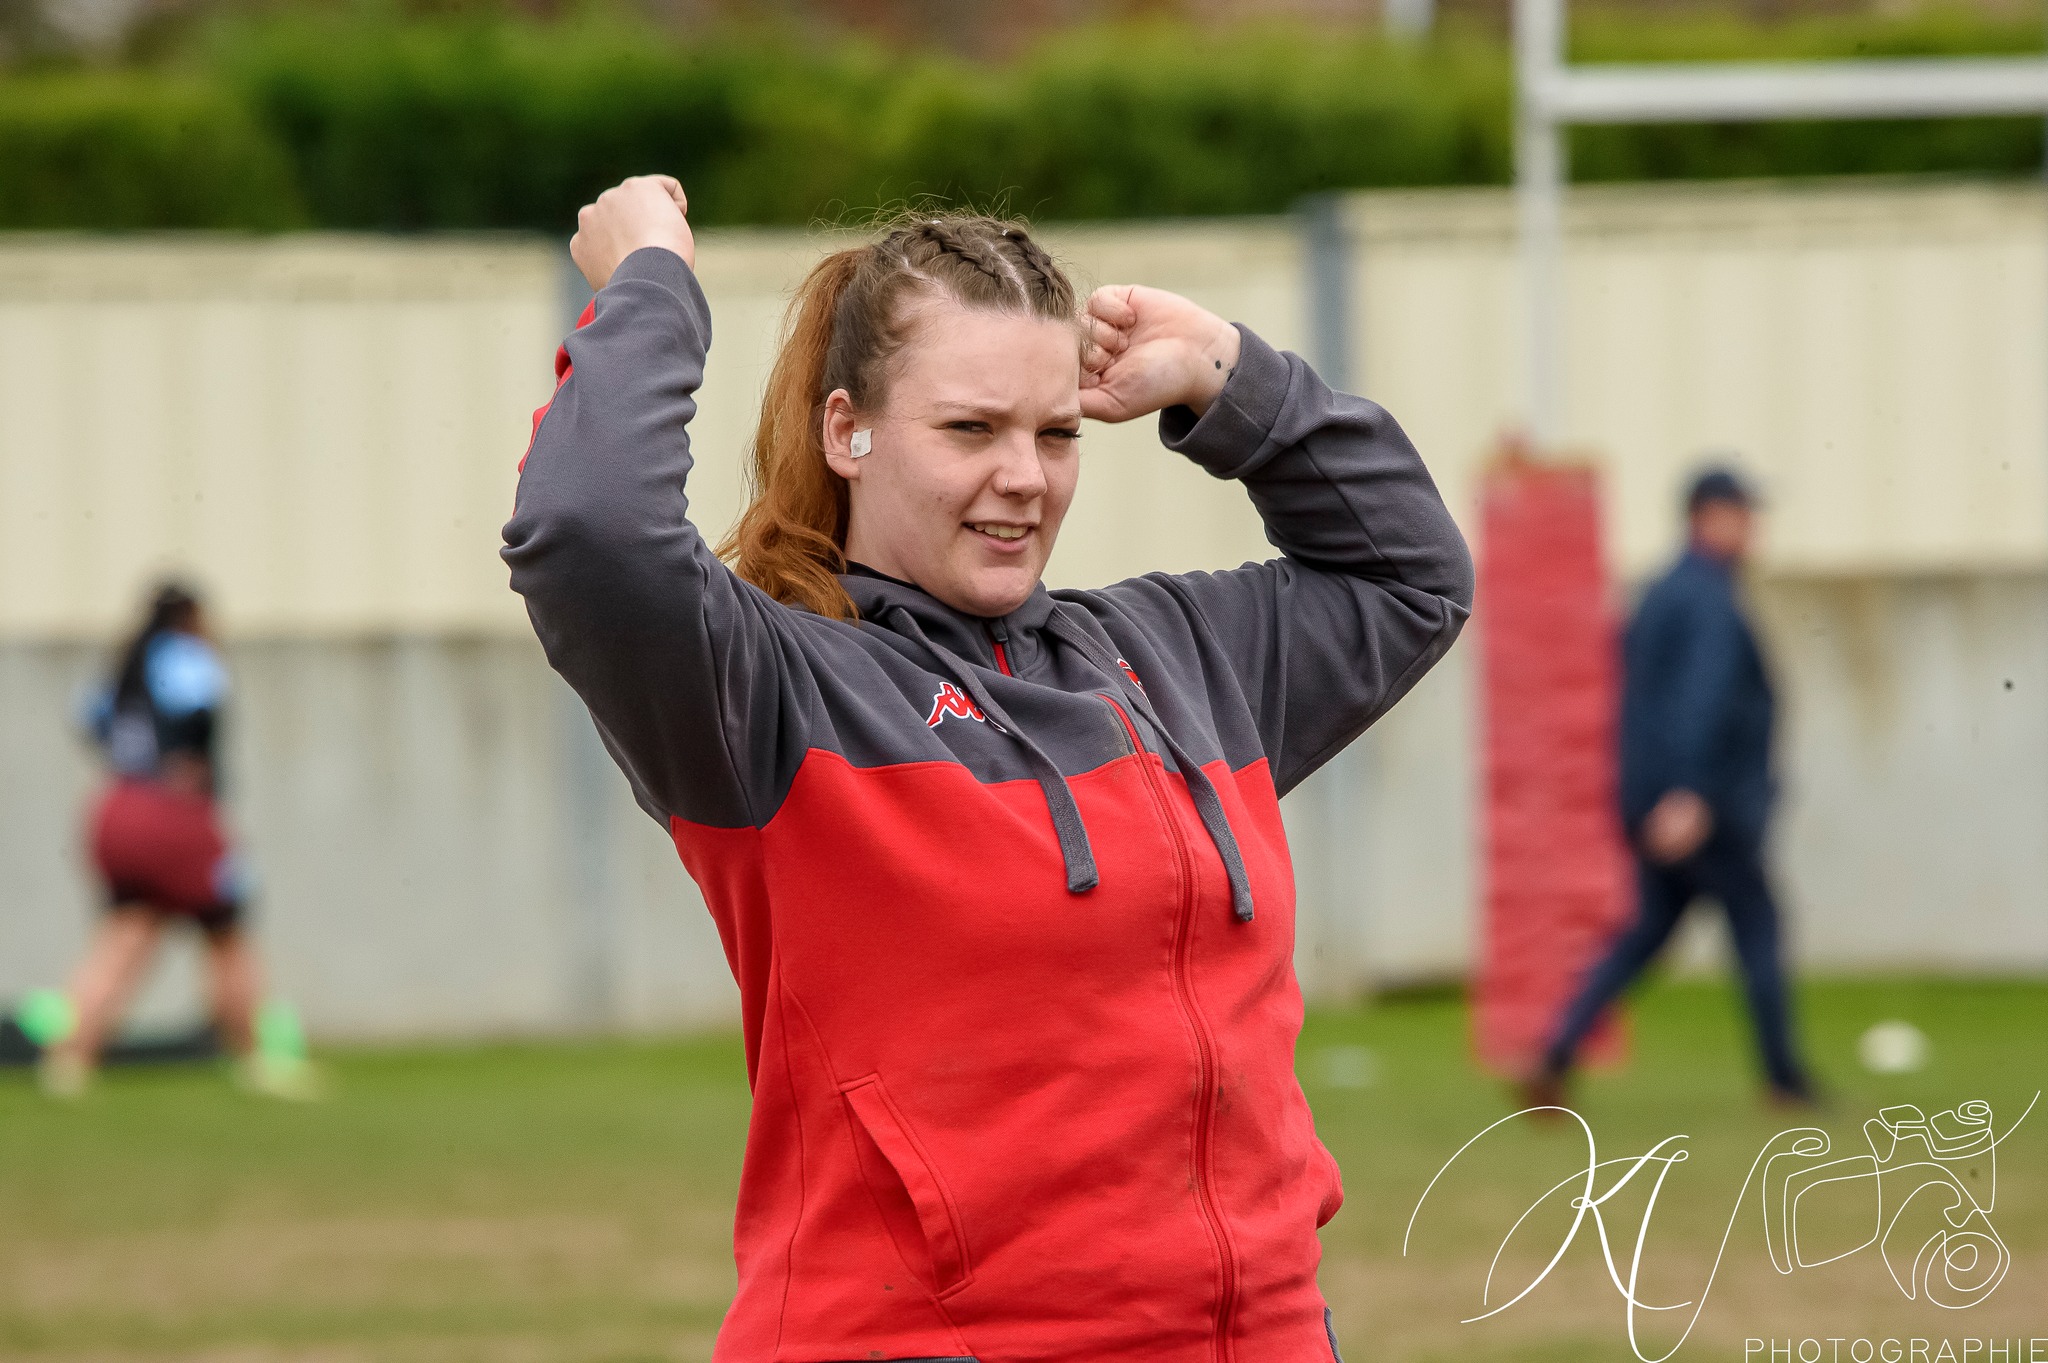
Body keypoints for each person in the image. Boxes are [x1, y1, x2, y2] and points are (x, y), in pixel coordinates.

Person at [504, 175, 1472, 1361]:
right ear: (846, 431)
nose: (1025, 475)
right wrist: (652, 280)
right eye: (970, 429)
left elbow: (1408, 577)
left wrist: (1225, 374)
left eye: (1054, 433)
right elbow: (588, 533)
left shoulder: (1174, 654)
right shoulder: (767, 689)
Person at [1527, 466, 1814, 1110]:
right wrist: (1687, 792)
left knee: (1647, 932)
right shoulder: (1708, 598)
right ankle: (1784, 1080)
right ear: (1706, 516)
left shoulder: (1661, 592)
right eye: (1741, 514)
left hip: (1657, 799)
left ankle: (1557, 1052)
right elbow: (1699, 701)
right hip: (1701, 808)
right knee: (1758, 926)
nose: (1752, 529)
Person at [41, 582, 312, 1099]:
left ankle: (69, 1061)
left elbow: (89, 719)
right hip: (173, 813)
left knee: (125, 933)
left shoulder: (123, 667)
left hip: (115, 808)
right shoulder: (185, 657)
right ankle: (259, 1059)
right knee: (228, 933)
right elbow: (198, 713)